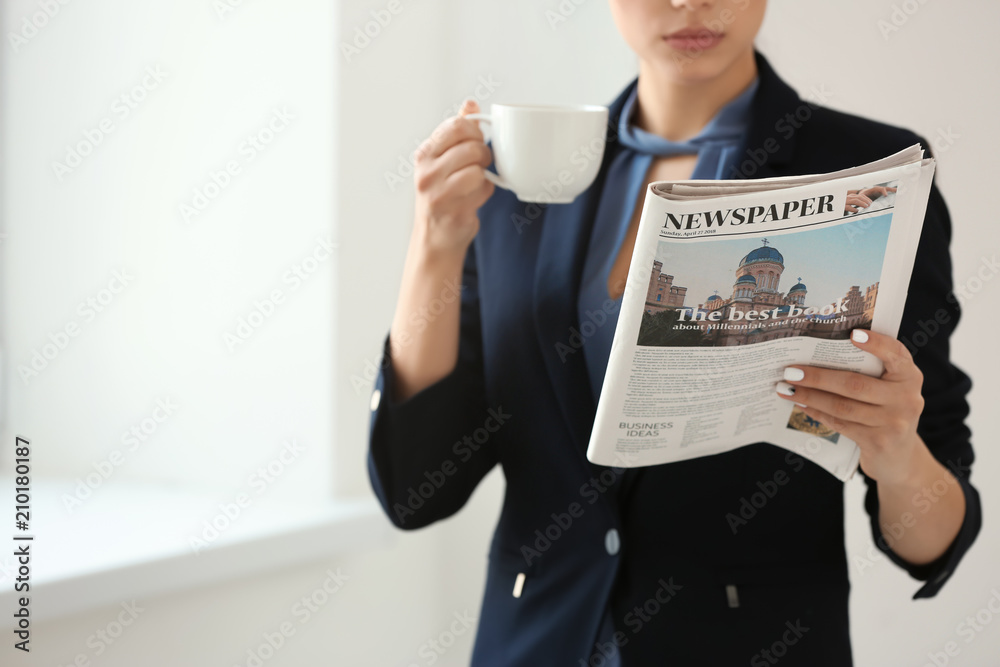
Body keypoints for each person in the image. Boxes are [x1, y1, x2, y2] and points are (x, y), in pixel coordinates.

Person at [366, 1, 983, 664]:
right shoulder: (520, 171)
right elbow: (416, 488)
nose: (691, 3)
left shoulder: (870, 170)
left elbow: (935, 539)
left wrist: (895, 450)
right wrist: (433, 244)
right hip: (534, 642)